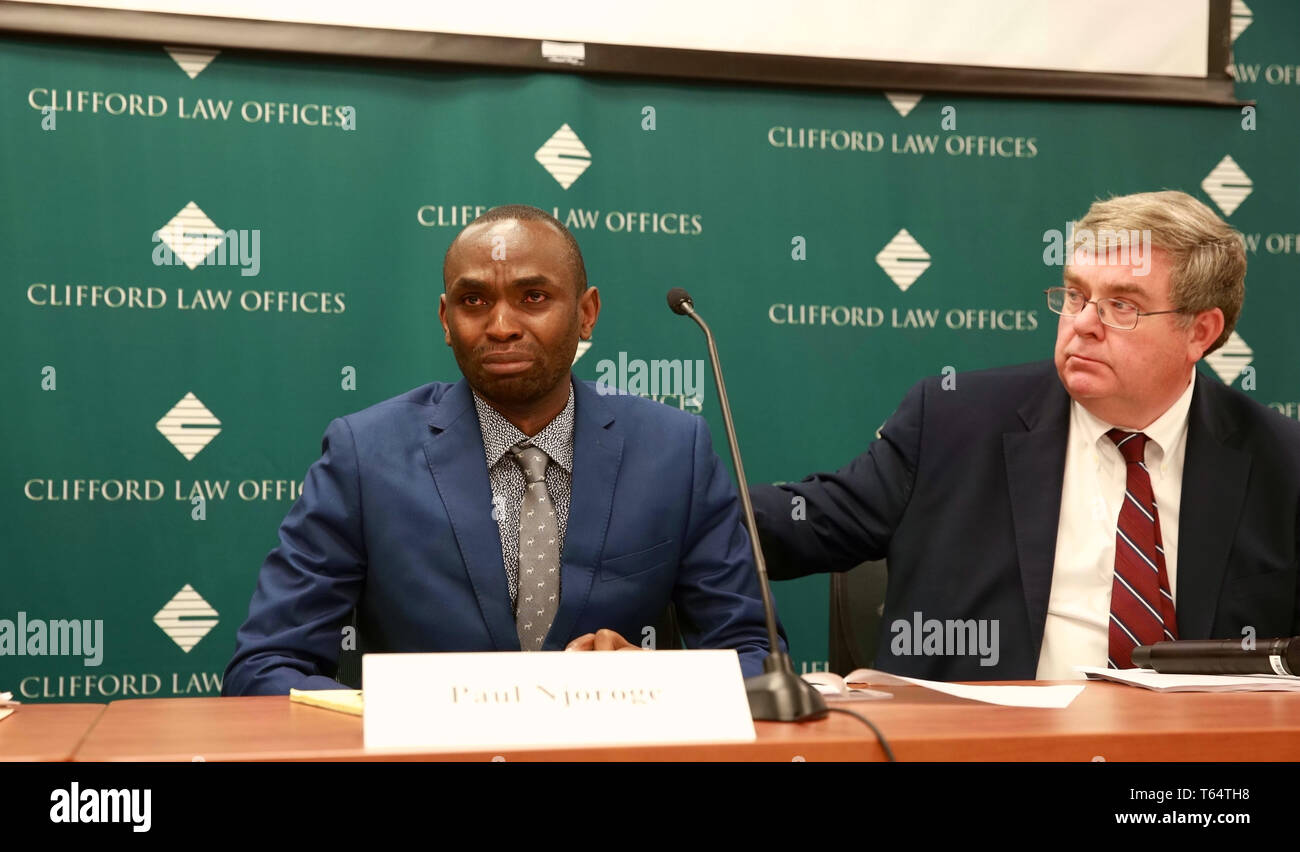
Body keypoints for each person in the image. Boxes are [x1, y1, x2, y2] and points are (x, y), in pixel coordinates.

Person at [224, 205, 779, 695]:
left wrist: (653, 680)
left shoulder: (673, 451)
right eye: (474, 301)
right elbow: (266, 666)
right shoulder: (364, 455)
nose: (502, 326)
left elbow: (756, 654)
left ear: (587, 313)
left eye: (533, 297)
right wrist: (391, 716)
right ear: (446, 320)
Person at [750, 190, 1300, 681]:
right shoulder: (952, 420)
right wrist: (682, 500)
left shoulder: (1282, 462)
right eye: (1076, 295)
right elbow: (810, 522)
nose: (1083, 322)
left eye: (1121, 306)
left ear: (1199, 331)